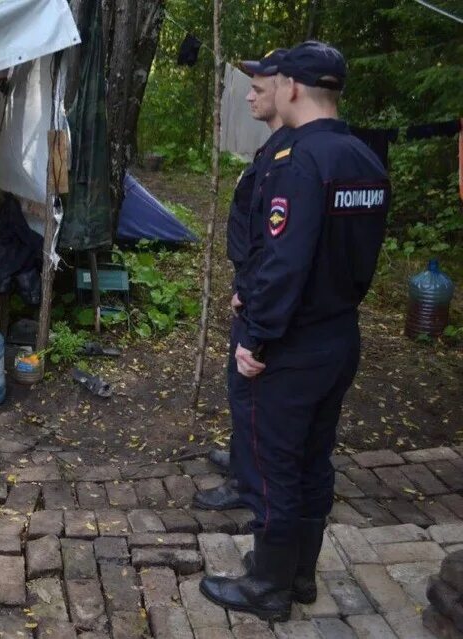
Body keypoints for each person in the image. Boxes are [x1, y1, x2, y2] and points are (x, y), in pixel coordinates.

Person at [200, 41, 389, 621]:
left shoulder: (298, 161)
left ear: (295, 90)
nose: (268, 88)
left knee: (275, 464)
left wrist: (255, 336)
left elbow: (286, 261)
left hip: (294, 343)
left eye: (273, 83)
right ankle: (301, 574)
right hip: (339, 335)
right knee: (312, 460)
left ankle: (268, 587)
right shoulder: (365, 157)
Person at [194, 49, 290, 512]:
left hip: (261, 297)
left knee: (249, 391)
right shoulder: (272, 147)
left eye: (258, 88)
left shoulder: (291, 156)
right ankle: (243, 461)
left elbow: (280, 247)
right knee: (242, 391)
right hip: (251, 288)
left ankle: (248, 484)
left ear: (287, 89)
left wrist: (251, 294)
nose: (249, 95)